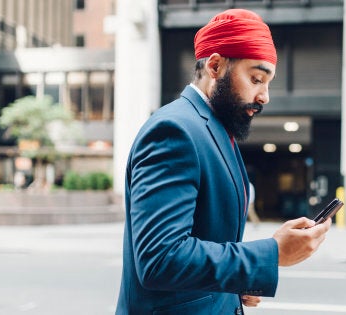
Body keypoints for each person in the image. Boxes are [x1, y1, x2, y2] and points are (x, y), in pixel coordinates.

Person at [115, 9, 331, 315]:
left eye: (267, 83)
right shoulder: (175, 130)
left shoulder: (213, 129)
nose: (264, 96)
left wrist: (236, 286)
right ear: (215, 65)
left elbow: (205, 243)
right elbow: (160, 259)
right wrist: (271, 254)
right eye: (256, 79)